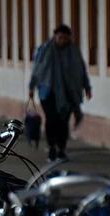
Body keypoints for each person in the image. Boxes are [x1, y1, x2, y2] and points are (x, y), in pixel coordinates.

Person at [29, 24, 92, 161]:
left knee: (63, 121)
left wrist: (87, 87)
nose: (62, 40)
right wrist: (31, 87)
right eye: (60, 37)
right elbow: (36, 70)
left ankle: (61, 148)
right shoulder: (45, 50)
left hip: (69, 93)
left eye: (65, 38)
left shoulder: (73, 52)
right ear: (55, 36)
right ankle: (52, 147)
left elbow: (81, 70)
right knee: (51, 120)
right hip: (48, 92)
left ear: (69, 38)